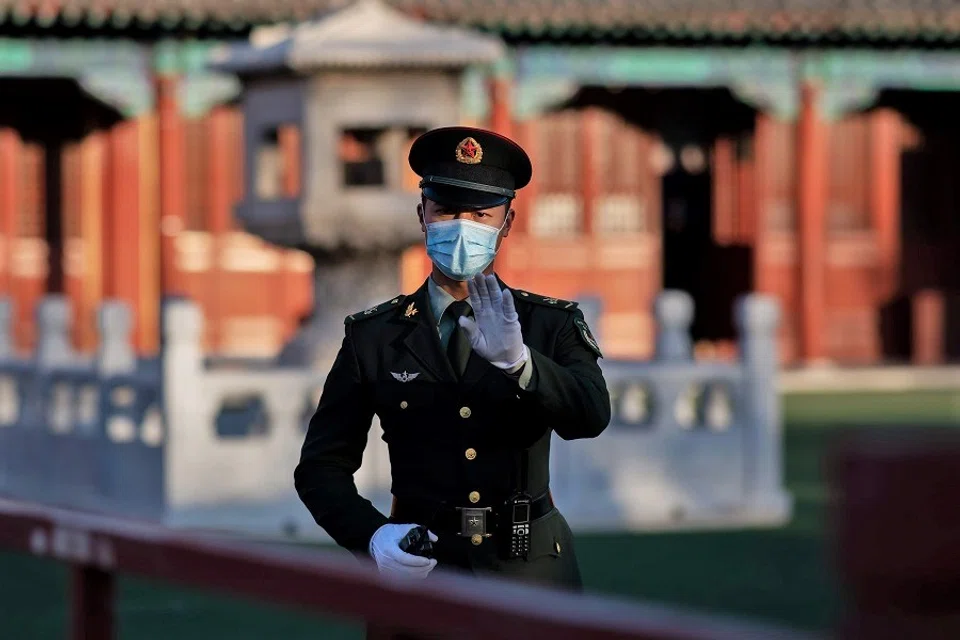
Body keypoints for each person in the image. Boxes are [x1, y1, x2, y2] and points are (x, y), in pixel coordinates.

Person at [294, 126, 610, 591]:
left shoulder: (549, 324)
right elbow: (321, 467)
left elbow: (590, 415)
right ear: (422, 214)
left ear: (507, 222)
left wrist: (522, 364)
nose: (463, 227)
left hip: (529, 565)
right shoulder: (375, 336)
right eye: (446, 210)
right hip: (420, 565)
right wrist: (372, 536)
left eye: (481, 214)